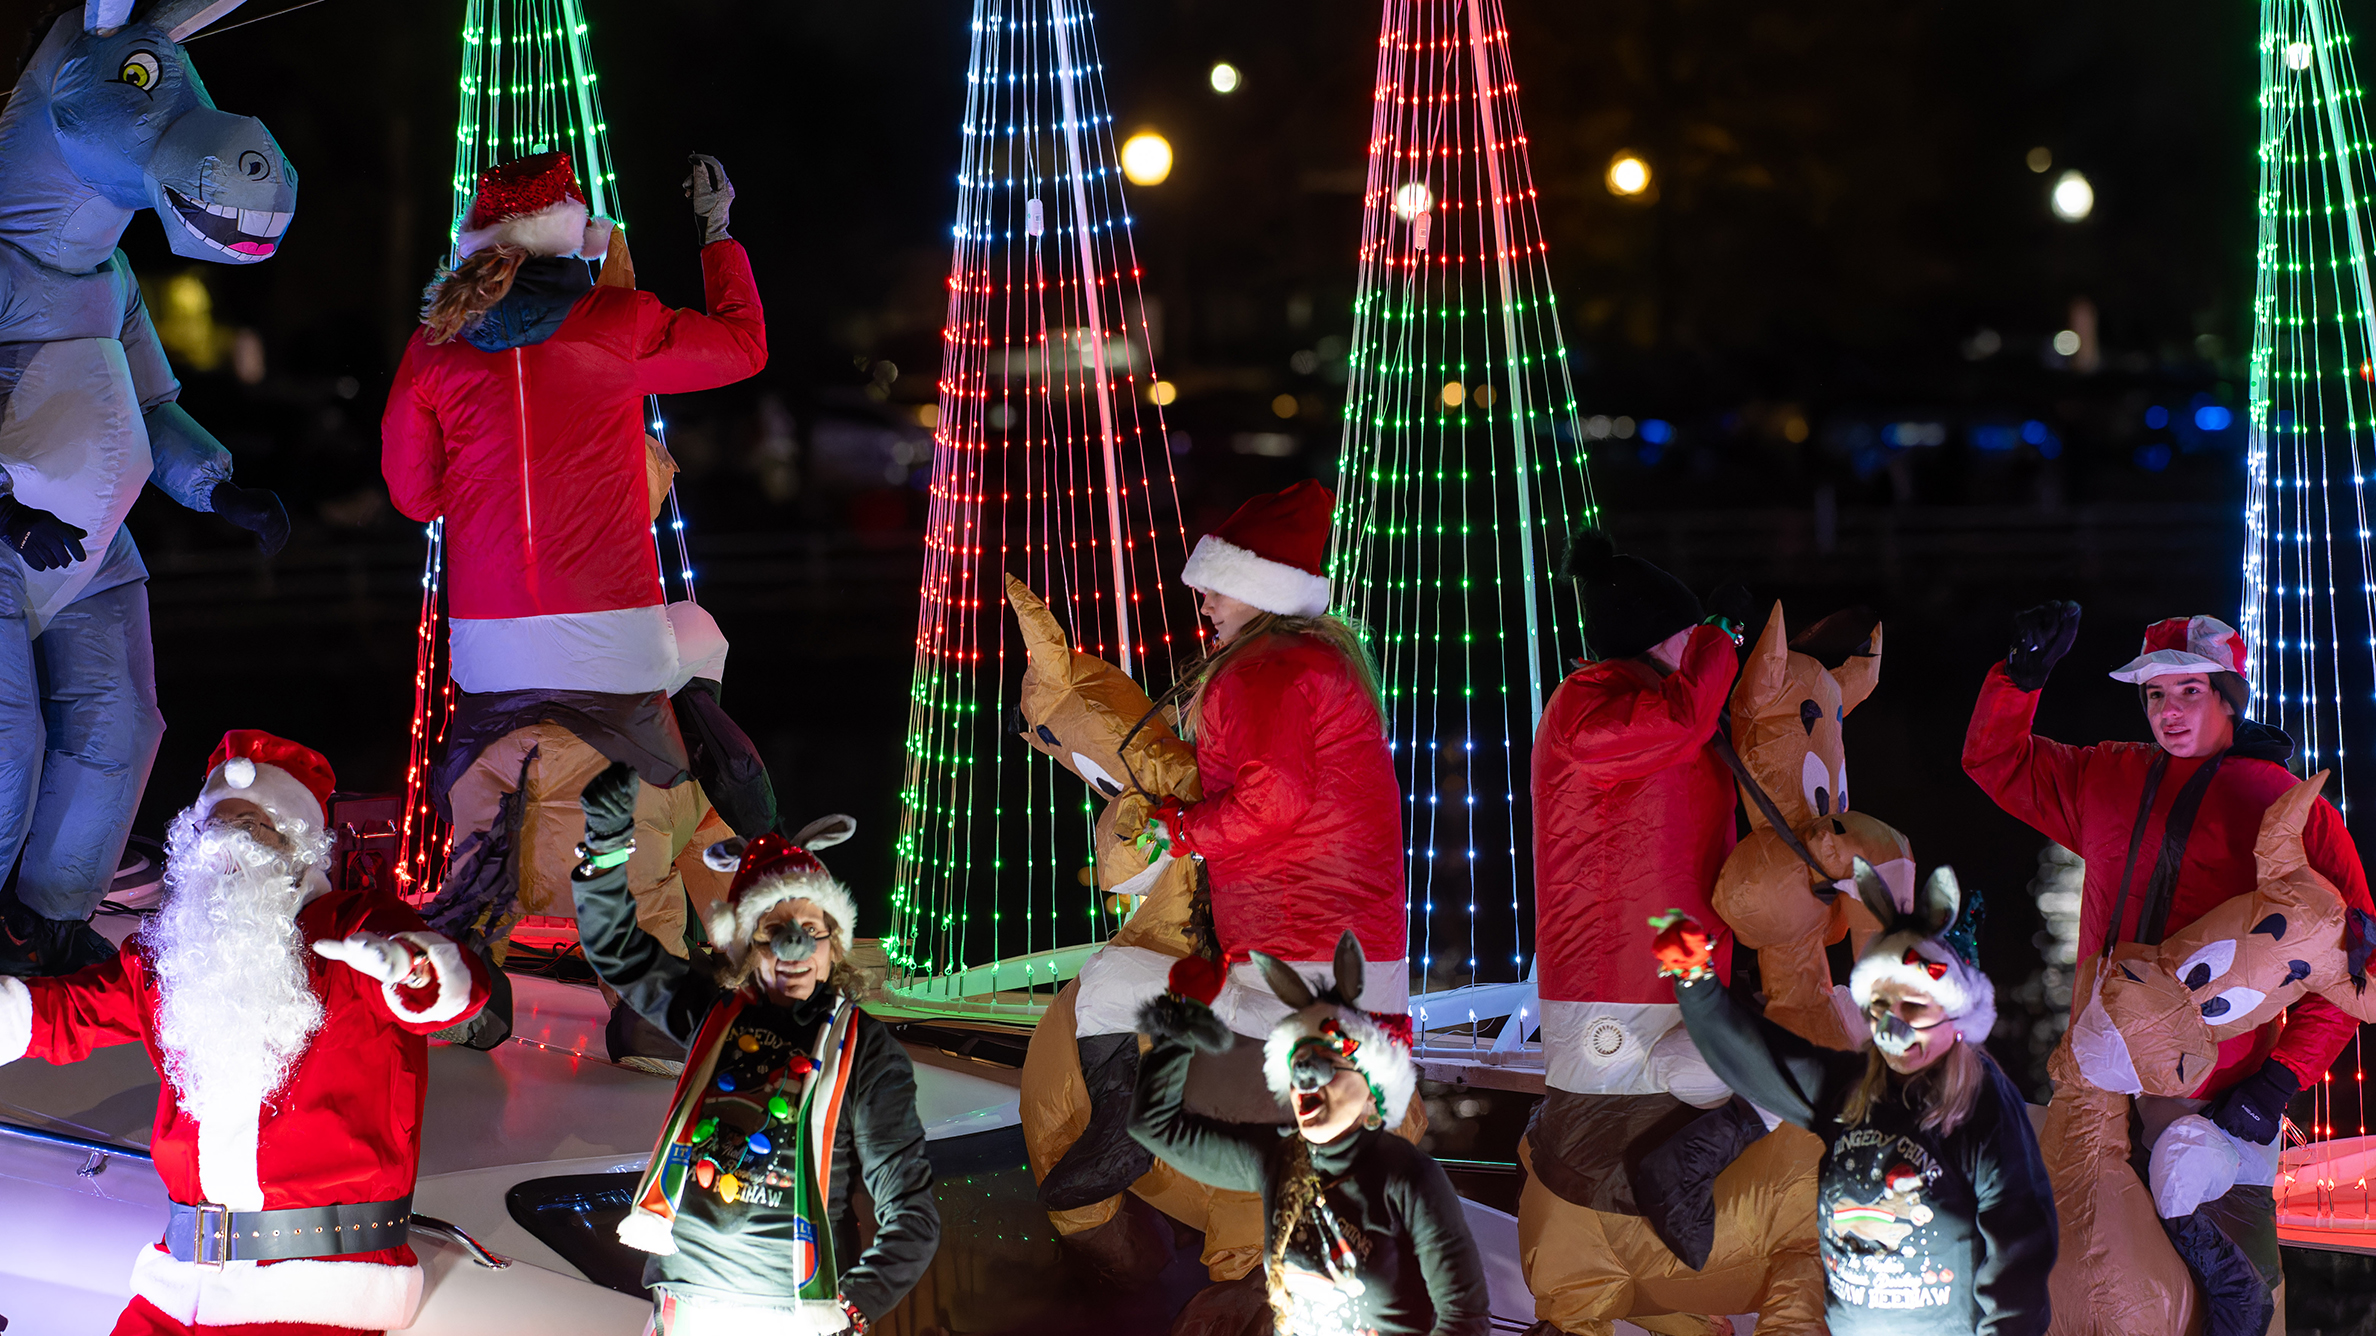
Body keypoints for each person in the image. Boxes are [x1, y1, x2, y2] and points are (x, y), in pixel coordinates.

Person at [380, 150, 770, 1055]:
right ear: (574, 240)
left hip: (488, 638)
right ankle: (642, 1004)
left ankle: (473, 992)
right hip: (612, 629)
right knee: (648, 777)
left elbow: (412, 494)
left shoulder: (434, 344)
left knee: (488, 814)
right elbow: (744, 346)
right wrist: (716, 233)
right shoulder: (617, 322)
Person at [1963, 605, 2374, 1328]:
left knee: (2238, 1290)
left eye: (2189, 691)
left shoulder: (2289, 809)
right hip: (2095, 1068)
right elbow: (1998, 762)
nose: (2169, 711)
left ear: (2228, 695)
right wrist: (2019, 680)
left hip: (2212, 1096)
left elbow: (2351, 967)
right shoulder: (2108, 775)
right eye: (2155, 694)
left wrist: (2278, 1082)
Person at [0, 730, 490, 1335]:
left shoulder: (352, 931)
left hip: (315, 1292)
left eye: (252, 827)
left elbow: (447, 988)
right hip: (178, 1286)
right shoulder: (173, 957)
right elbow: (64, 1012)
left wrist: (414, 966)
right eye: (214, 828)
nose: (225, 846)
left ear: (298, 848)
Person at [0, 2, 294, 977]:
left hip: (91, 546)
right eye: (135, 77)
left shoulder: (113, 274)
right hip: (12, 541)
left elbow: (154, 405)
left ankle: (46, 916)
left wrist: (220, 489)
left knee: (120, 725)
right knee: (9, 736)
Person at [1041, 478, 1406, 1210]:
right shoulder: (1316, 660)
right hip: (1347, 952)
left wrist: (1177, 830)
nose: (1203, 601)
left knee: (1109, 987)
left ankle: (1126, 1136)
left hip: (1296, 963)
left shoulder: (1261, 671)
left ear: (1259, 590)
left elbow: (1272, 800)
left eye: (1214, 587)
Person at [570, 762, 938, 1335]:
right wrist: (604, 850)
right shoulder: (710, 1013)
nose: (794, 945)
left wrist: (849, 1309)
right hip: (683, 1309)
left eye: (811, 930)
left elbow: (912, 1214)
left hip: (792, 1319)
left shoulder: (867, 1052)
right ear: (747, 944)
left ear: (833, 944)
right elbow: (616, 950)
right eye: (774, 930)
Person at [1667, 863, 2058, 1336]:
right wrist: (1696, 983)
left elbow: (2020, 1242)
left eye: (1913, 1008)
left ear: (1955, 1013)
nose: (1892, 1028)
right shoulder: (1849, 1090)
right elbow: (1756, 1059)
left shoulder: (1981, 1103)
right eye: (1879, 1008)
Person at [1129, 932, 1489, 1336]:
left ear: (1375, 1091)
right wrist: (1181, 1015)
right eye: (1298, 1063)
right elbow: (1154, 1124)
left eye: (1327, 1062)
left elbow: (1464, 1317)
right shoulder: (1276, 1155)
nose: (1306, 1076)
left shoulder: (1408, 1178)